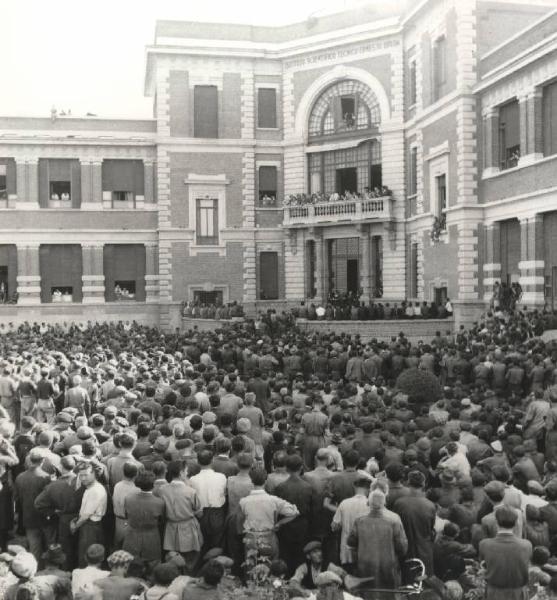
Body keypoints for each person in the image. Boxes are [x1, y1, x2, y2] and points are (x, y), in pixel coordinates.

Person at [347, 489, 408, 591]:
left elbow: (351, 542)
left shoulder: (359, 521)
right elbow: (402, 548)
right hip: (388, 567)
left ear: (368, 503)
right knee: (387, 594)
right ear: (384, 503)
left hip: (365, 567)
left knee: (367, 593)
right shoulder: (394, 521)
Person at [479, 505, 532, 600]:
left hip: (494, 594)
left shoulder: (484, 544)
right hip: (518, 594)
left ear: (496, 522)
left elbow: (484, 567)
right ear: (516, 523)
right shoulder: (526, 545)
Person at [157, 460, 203, 571]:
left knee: (173, 558)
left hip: (170, 527)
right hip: (188, 526)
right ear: (182, 473)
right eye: (186, 471)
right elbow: (199, 512)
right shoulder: (190, 491)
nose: (187, 473)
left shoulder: (162, 490)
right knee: (190, 557)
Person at [393, 470, 436, 576]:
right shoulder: (430, 505)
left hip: (405, 549)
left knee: (407, 580)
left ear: (408, 482)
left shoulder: (399, 503)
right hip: (424, 549)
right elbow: (431, 528)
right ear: (423, 484)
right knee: (424, 581)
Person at [71, 463, 107, 568]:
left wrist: (75, 526)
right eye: (80, 475)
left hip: (90, 527)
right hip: (88, 526)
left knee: (86, 557)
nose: (82, 478)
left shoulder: (95, 490)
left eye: (85, 475)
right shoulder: (90, 488)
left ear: (94, 474)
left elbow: (86, 515)